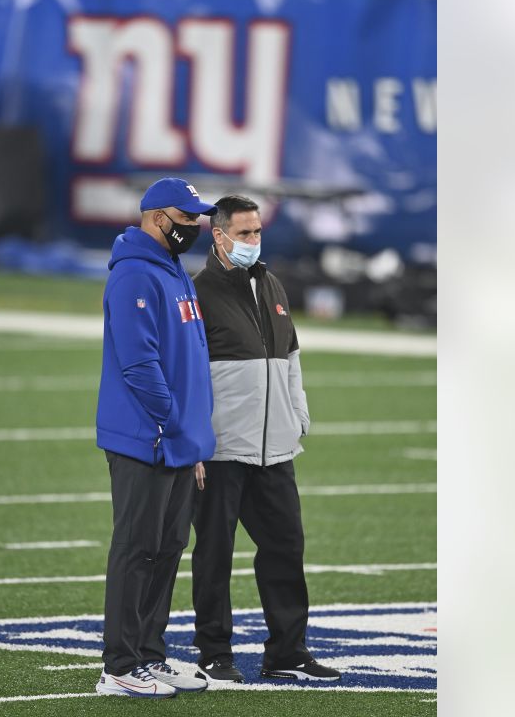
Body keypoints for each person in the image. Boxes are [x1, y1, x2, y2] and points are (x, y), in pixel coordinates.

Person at [190, 195, 342, 683]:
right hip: (221, 450)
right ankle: (215, 653)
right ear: (219, 236)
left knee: (285, 547)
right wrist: (196, 438)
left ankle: (287, 651)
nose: (254, 241)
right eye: (246, 233)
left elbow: (291, 356)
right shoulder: (196, 291)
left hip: (275, 449)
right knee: (214, 553)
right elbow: (190, 373)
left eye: (258, 232)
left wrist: (298, 412)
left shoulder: (272, 282)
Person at [93, 177, 218, 698]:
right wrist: (170, 423)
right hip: (145, 437)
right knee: (136, 547)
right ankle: (119, 665)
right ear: (156, 217)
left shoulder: (175, 272)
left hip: (175, 439)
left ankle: (149, 653)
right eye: (186, 218)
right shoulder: (135, 276)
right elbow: (139, 364)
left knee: (167, 548)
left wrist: (191, 441)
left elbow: (190, 360)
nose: (194, 227)